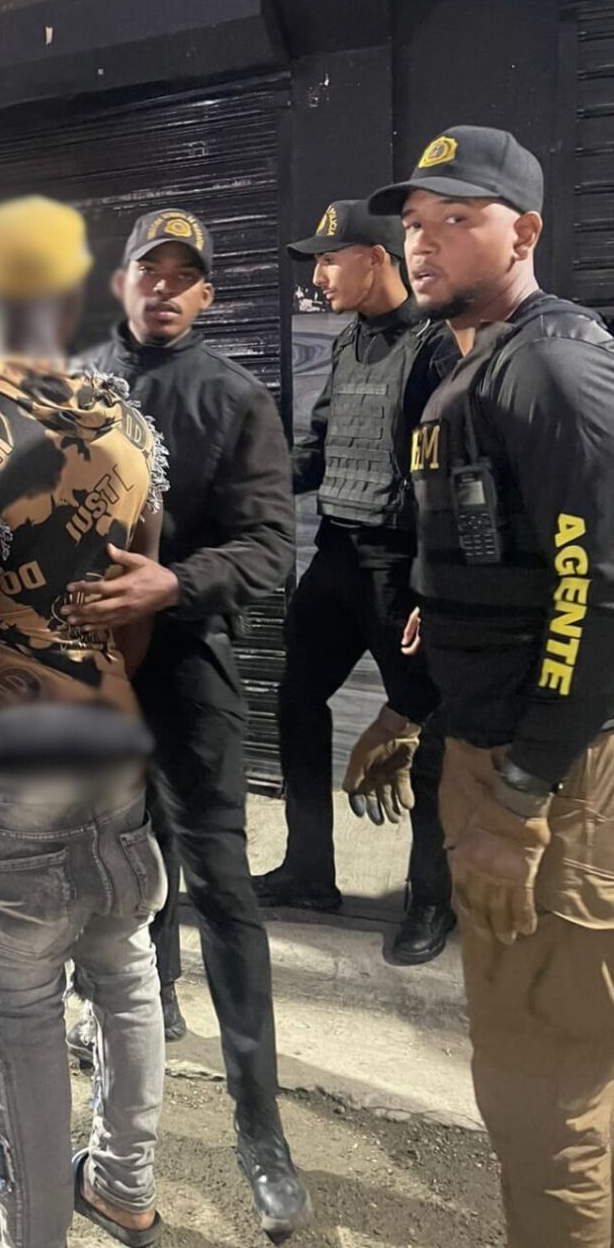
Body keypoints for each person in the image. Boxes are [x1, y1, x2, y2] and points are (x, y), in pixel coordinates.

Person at [360, 125, 614, 1247]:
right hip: (490, 751)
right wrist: (414, 701)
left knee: (547, 1088)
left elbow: (596, 595)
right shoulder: (470, 363)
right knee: (529, 1072)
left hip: (547, 779)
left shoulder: (553, 366)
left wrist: (518, 799)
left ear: (527, 232)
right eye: (416, 223)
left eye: (458, 219)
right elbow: (495, 569)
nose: (424, 242)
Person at [0, 196, 170, 1248]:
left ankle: (36, 1235)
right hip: (112, 751)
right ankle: (126, 1188)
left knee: (20, 1012)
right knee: (126, 970)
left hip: (16, 772)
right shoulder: (133, 433)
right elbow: (134, 621)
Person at [64, 209, 312, 1241]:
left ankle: (262, 1130)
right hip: (87, 674)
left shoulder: (234, 397)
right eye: (148, 270)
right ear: (120, 283)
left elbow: (271, 548)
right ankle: (145, 1017)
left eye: (184, 275)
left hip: (187, 670)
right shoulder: (68, 386)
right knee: (118, 872)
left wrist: (174, 582)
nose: (163, 287)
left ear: (206, 293)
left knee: (220, 884)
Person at [251, 199, 457, 964]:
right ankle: (310, 870)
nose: (318, 275)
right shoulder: (347, 342)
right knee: (296, 701)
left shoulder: (438, 346)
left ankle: (431, 900)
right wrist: (254, 485)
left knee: (423, 737)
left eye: (329, 259)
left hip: (401, 567)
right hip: (338, 555)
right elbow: (321, 448)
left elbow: (449, 476)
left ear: (375, 257)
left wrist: (437, 588)